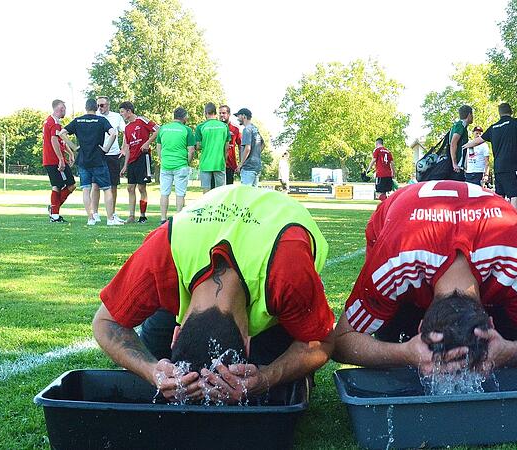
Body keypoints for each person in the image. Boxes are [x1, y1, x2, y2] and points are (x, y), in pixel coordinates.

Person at [92, 185, 335, 404]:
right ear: (175, 333)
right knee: (155, 364)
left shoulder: (287, 274)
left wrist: (265, 378)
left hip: (278, 245)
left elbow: (321, 342)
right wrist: (152, 370)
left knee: (277, 374)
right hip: (212, 233)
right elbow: (105, 323)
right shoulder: (161, 256)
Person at [332, 180, 517, 372]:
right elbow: (340, 341)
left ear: (491, 322)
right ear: (419, 327)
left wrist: (510, 351)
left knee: (513, 334)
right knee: (390, 330)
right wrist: (403, 353)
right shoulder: (393, 266)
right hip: (400, 221)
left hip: (475, 225)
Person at [463, 103, 517, 216]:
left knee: (500, 198)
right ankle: (514, 227)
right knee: (515, 197)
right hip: (514, 168)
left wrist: (465, 146)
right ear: (511, 112)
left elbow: (478, 140)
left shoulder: (493, 127)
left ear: (499, 113)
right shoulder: (515, 123)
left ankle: (501, 226)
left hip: (498, 169)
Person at [58, 99, 123, 226]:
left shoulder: (78, 120)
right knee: (107, 189)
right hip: (98, 159)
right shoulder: (101, 120)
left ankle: (91, 218)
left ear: (86, 107)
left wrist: (74, 147)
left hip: (83, 159)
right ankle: (110, 219)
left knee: (86, 189)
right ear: (96, 108)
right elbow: (113, 133)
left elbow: (62, 133)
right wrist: (106, 149)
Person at [119, 101, 159, 224]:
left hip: (143, 158)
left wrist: (148, 142)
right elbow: (127, 147)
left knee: (142, 187)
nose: (121, 115)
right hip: (132, 161)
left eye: (122, 112)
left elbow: (158, 129)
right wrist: (125, 165)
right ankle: (131, 216)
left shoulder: (142, 120)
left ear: (129, 111)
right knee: (130, 188)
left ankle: (142, 215)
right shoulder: (127, 128)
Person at [156, 107, 195, 224]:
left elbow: (159, 146)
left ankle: (163, 218)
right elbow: (191, 150)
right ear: (184, 117)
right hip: (181, 165)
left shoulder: (163, 128)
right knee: (180, 193)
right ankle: (179, 218)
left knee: (164, 192)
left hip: (166, 165)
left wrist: (162, 159)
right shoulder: (187, 130)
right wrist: (187, 162)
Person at [92, 96, 127, 222]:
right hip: (97, 155)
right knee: (95, 185)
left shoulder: (116, 117)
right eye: (98, 105)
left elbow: (126, 132)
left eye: (102, 105)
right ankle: (95, 213)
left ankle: (112, 213)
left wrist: (123, 149)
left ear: (108, 105)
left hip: (113, 154)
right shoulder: (94, 116)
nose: (99, 108)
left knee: (113, 185)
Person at [42, 99, 76, 223]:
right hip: (54, 160)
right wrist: (61, 159)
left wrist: (70, 152)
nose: (65, 111)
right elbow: (54, 141)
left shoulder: (50, 121)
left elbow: (60, 140)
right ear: (59, 108)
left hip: (52, 159)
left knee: (63, 185)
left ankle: (54, 210)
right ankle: (54, 213)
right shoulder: (54, 123)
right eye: (64, 109)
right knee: (64, 185)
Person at [196, 102, 230, 193]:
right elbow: (227, 147)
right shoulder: (224, 126)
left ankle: (207, 207)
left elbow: (198, 146)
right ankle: (219, 207)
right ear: (215, 113)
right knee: (221, 191)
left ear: (205, 113)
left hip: (205, 162)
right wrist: (224, 159)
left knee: (206, 191)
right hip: (219, 162)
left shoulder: (200, 127)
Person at [234, 108, 263, 187]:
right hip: (257, 167)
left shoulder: (246, 130)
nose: (237, 118)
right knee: (253, 196)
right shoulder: (255, 129)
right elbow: (263, 144)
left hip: (248, 168)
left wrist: (240, 164)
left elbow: (247, 148)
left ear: (243, 116)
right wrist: (255, 154)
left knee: (245, 195)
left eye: (238, 116)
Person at [219, 105, 241, 185]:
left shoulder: (235, 128)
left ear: (229, 114)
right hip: (217, 164)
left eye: (224, 113)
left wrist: (240, 163)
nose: (221, 115)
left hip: (230, 165)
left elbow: (240, 146)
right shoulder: (216, 127)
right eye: (220, 113)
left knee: (228, 191)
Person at [449, 105, 473, 179]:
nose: (473, 117)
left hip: (459, 167)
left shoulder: (458, 125)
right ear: (469, 115)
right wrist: (455, 163)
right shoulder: (461, 125)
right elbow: (453, 143)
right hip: (457, 168)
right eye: (472, 114)